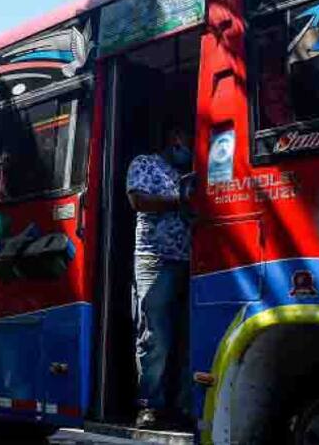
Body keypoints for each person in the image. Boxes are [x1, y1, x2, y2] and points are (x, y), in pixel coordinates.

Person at [126, 123, 194, 430]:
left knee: (186, 337)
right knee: (156, 337)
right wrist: (180, 201)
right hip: (154, 259)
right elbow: (137, 200)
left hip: (189, 260)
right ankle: (149, 405)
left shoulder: (188, 174)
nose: (190, 146)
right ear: (175, 137)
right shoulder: (145, 163)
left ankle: (183, 406)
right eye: (189, 138)